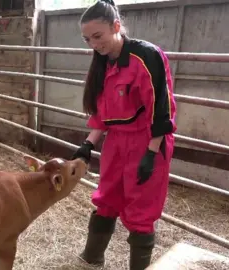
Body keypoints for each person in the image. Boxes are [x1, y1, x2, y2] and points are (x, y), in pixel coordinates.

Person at [70, 0, 177, 269]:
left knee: (140, 210)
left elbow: (161, 108)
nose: (94, 44)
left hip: (147, 140)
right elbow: (104, 114)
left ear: (116, 26)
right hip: (116, 141)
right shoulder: (103, 64)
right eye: (87, 39)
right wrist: (87, 145)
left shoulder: (146, 56)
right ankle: (92, 258)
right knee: (106, 198)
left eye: (98, 36)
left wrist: (151, 154)